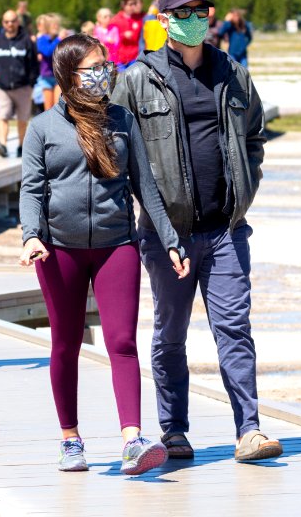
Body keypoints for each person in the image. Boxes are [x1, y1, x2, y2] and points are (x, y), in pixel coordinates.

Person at [110, 0, 281, 463]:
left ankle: (249, 429)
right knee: (171, 332)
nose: (193, 20)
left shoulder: (231, 71)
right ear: (163, 20)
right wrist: (150, 224)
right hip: (168, 235)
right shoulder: (137, 79)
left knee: (234, 327)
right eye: (182, 13)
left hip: (225, 229)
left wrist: (245, 189)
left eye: (200, 11)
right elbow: (118, 150)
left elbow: (254, 134)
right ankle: (175, 429)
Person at [19, 32, 189, 474]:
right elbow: (32, 189)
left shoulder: (122, 120)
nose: (102, 75)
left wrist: (170, 237)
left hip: (117, 246)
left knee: (122, 342)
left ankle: (132, 439)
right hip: (59, 252)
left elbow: (145, 187)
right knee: (65, 343)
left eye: (104, 66)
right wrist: (30, 235)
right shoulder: (42, 128)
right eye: (91, 68)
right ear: (67, 75)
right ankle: (70, 439)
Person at [0, 10, 38, 158]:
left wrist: (31, 83)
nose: (10, 24)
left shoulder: (26, 42)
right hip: (3, 87)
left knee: (22, 119)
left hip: (23, 87)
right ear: (3, 23)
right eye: (6, 22)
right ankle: (3, 145)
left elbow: (33, 66)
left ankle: (21, 146)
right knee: (3, 116)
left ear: (17, 22)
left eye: (13, 21)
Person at [110, 0, 144, 70]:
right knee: (122, 80)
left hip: (135, 57)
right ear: (123, 5)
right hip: (120, 58)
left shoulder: (139, 18)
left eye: (134, 4)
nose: (132, 7)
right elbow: (110, 38)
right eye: (130, 4)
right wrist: (122, 35)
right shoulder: (116, 19)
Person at [35, 13, 62, 112]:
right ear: (47, 26)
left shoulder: (59, 39)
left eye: (57, 24)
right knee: (48, 108)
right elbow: (47, 52)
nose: (56, 26)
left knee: (58, 106)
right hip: (46, 78)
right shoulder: (42, 39)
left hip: (57, 77)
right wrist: (58, 40)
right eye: (53, 24)